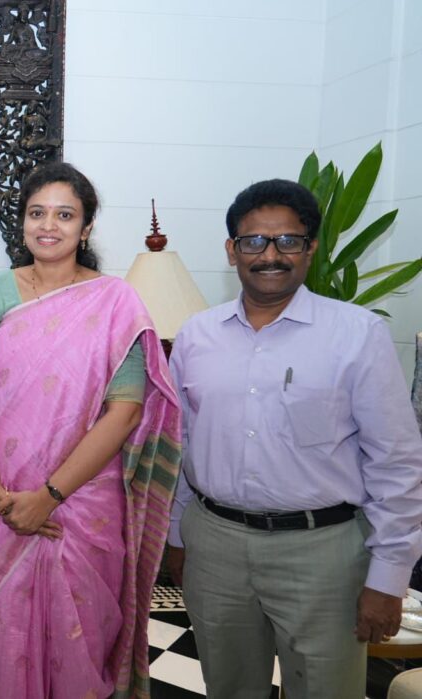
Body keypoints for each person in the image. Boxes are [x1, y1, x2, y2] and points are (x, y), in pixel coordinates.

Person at [166, 179, 422, 699]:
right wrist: (176, 535)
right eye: (254, 241)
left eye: (287, 240)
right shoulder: (196, 335)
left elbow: (396, 461)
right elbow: (181, 444)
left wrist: (389, 576)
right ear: (232, 250)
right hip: (215, 544)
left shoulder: (357, 334)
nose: (270, 255)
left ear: (311, 249)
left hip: (322, 551)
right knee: (228, 688)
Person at [0, 161, 182, 699]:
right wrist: (0, 495)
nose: (48, 225)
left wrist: (49, 497)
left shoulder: (115, 302)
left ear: (86, 227)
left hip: (83, 506)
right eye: (37, 213)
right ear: (23, 222)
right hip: (0, 501)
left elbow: (125, 411)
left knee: (80, 644)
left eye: (64, 214)